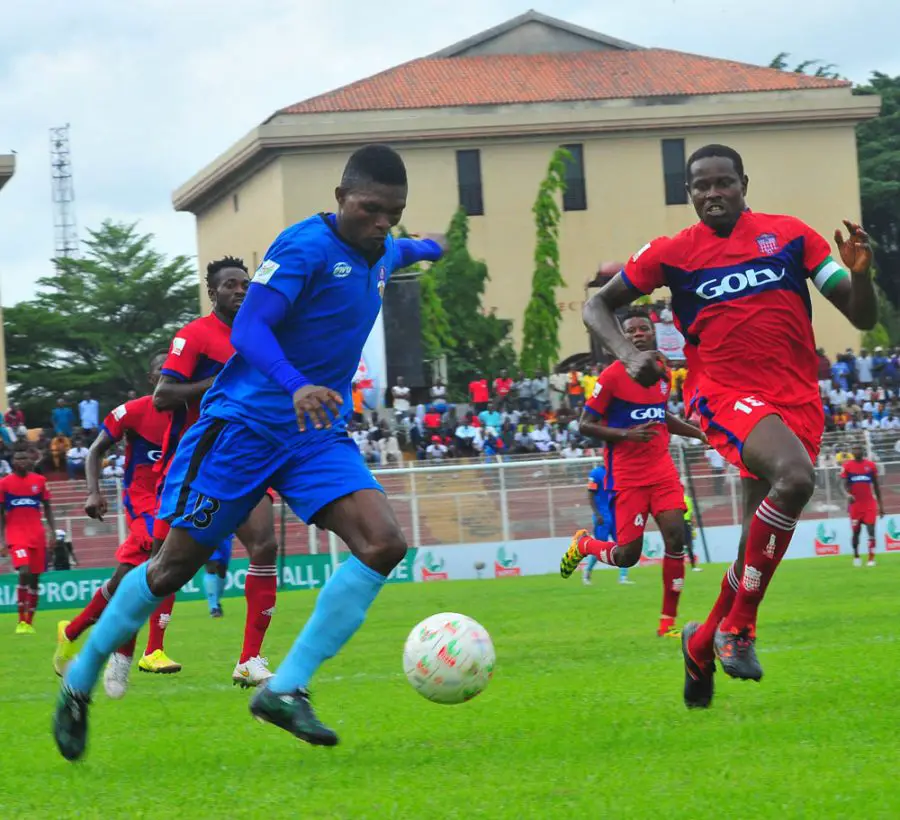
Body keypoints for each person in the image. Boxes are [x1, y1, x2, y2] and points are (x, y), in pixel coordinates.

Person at [53, 143, 445, 761]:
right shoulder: (304, 248)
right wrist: (295, 384)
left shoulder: (382, 248)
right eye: (370, 209)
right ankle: (80, 679)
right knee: (169, 568)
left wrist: (433, 246)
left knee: (383, 544)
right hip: (242, 430)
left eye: (391, 213)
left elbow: (407, 249)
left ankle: (284, 690)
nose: (380, 223)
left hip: (313, 434)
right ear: (341, 197)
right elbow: (250, 328)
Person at [580, 143, 877, 708]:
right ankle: (739, 628)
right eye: (702, 186)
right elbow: (597, 306)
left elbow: (861, 315)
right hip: (723, 392)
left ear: (744, 184)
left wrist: (862, 276)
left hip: (796, 399)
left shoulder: (791, 236)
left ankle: (700, 643)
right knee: (794, 478)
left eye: (724, 183)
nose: (713, 193)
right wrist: (627, 355)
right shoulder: (671, 252)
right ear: (689, 193)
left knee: (751, 543)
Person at [151, 256, 279, 681]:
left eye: (245, 284)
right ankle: (131, 645)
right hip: (202, 463)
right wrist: (219, 382)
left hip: (250, 457)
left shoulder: (260, 333)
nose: (240, 290)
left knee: (264, 545)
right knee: (165, 564)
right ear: (212, 292)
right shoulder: (194, 335)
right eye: (230, 285)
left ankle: (249, 660)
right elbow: (163, 396)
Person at [560, 309, 707, 638]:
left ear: (654, 333)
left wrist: (697, 433)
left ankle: (667, 624)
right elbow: (585, 425)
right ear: (622, 338)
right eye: (631, 331)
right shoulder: (611, 377)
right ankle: (584, 545)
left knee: (676, 537)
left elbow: (661, 416)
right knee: (627, 556)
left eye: (643, 328)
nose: (638, 334)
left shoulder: (662, 372)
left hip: (662, 471)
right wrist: (626, 435)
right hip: (626, 477)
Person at [53, 353, 182, 694]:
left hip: (173, 499)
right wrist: (93, 492)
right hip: (141, 499)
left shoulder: (192, 413)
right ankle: (150, 651)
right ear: (151, 379)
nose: (170, 376)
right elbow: (95, 450)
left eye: (175, 371)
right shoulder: (133, 411)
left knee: (127, 578)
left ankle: (73, 631)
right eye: (162, 372)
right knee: (164, 559)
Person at [0, 448, 57, 633]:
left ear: (30, 461)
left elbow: (47, 508)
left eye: (25, 458)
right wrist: (2, 540)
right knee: (24, 570)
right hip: (16, 535)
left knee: (34, 579)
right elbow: (1, 514)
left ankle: (29, 622)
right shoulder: (4, 483)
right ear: (13, 462)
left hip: (37, 534)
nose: (22, 461)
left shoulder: (39, 481)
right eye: (18, 459)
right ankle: (21, 620)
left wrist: (53, 532)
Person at [582, 464, 631, 587]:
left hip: (616, 517)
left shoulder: (617, 472)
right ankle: (587, 572)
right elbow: (590, 494)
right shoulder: (596, 473)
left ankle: (623, 577)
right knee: (600, 548)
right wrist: (597, 513)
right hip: (602, 517)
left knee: (623, 545)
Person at [841, 445, 883, 567]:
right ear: (852, 452)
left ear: (863, 451)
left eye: (858, 449)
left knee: (871, 531)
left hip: (869, 504)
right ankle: (856, 556)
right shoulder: (847, 466)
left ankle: (871, 559)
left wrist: (881, 507)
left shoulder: (870, 465)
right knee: (856, 532)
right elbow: (842, 485)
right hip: (855, 505)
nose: (856, 452)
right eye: (854, 450)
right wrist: (847, 495)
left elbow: (876, 486)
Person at [683, 492, 701, 571]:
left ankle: (678, 566)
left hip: (678, 523)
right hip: (687, 523)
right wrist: (693, 528)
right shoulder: (688, 499)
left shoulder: (676, 499)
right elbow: (691, 514)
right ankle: (693, 567)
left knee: (679, 546)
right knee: (689, 545)